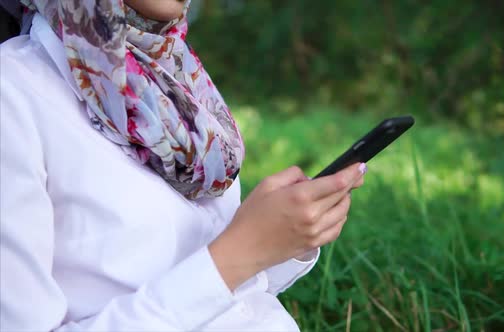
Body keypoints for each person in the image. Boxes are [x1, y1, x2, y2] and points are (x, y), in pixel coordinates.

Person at [0, 0, 365, 331]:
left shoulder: (175, 79)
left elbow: (226, 296)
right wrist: (239, 253)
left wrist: (282, 237)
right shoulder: (13, 93)